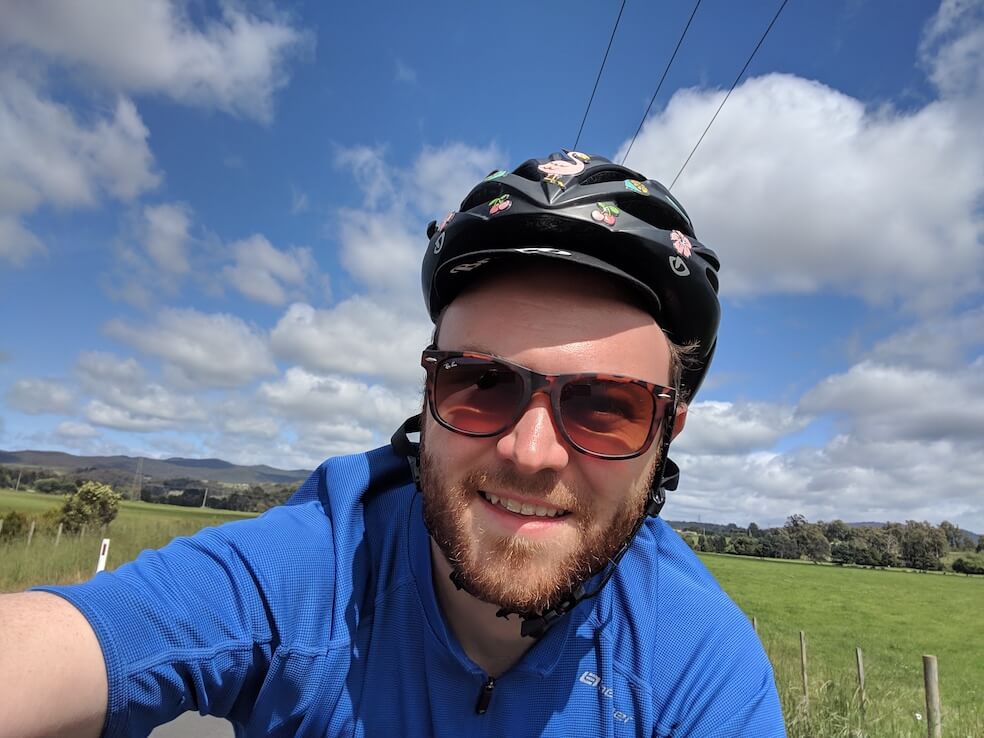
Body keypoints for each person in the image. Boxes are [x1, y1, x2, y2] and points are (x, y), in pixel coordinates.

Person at [0, 152, 785, 737]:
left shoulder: (697, 664)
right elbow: (71, 642)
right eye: (480, 383)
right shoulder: (320, 566)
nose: (532, 451)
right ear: (427, 399)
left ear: (665, 439)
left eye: (606, 407)